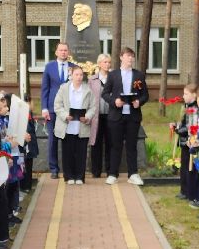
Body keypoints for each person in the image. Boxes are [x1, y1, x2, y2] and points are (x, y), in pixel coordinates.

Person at [102, 46, 149, 183]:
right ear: (121, 57)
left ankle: (133, 174)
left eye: (132, 56)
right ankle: (113, 174)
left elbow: (145, 95)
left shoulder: (138, 75)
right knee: (115, 145)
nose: (130, 58)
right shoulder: (113, 75)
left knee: (132, 145)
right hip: (116, 116)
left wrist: (139, 102)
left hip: (133, 116)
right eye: (128, 56)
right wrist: (114, 101)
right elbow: (105, 93)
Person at [54, 62, 97, 184]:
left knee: (81, 153)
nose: (79, 77)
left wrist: (87, 117)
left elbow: (93, 107)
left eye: (81, 75)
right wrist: (65, 115)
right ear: (71, 75)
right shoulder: (64, 88)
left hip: (81, 126)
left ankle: (79, 177)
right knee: (67, 153)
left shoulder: (87, 90)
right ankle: (69, 176)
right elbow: (57, 105)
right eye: (76, 74)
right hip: (67, 126)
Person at [39, 41, 72, 178]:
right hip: (52, 108)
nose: (63, 52)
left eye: (65, 50)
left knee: (68, 139)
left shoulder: (74, 68)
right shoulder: (49, 67)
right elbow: (45, 88)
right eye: (61, 50)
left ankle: (68, 169)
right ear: (56, 52)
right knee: (53, 140)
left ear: (68, 52)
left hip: (68, 109)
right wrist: (44, 108)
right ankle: (54, 169)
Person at [88, 52, 113, 179]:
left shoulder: (114, 78)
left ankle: (110, 170)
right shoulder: (92, 80)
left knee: (110, 143)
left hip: (110, 115)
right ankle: (96, 171)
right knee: (96, 143)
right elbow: (88, 98)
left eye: (109, 62)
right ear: (99, 64)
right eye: (105, 62)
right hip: (96, 117)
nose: (107, 64)